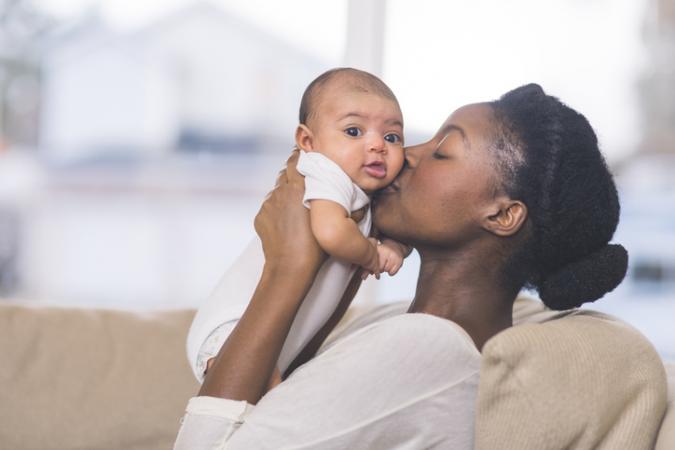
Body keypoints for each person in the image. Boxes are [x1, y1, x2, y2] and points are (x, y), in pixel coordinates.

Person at [174, 84, 628, 449]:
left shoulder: (428, 347)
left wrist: (287, 267)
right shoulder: (402, 323)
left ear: (502, 214)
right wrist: (335, 269)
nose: (405, 153)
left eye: (442, 151)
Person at [186, 68, 411, 384]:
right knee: (266, 409)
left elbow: (402, 228)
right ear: (308, 141)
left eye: (391, 137)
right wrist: (374, 256)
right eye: (353, 131)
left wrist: (396, 247)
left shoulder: (364, 191)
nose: (377, 145)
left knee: (270, 408)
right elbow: (332, 232)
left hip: (282, 336)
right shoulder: (323, 171)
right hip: (233, 326)